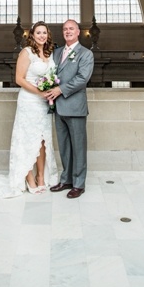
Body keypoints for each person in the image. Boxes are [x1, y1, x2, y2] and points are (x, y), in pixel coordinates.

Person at [0, 21, 58, 199]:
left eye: (44, 33)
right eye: (38, 33)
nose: (42, 36)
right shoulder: (27, 52)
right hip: (29, 101)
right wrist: (40, 92)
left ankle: (41, 177)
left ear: (48, 35)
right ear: (32, 35)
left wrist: (50, 89)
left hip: (44, 103)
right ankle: (29, 178)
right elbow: (19, 79)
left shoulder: (49, 52)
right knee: (27, 139)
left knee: (42, 140)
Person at [45, 19, 94, 199]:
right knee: (64, 147)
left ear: (78, 32)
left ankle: (79, 183)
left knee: (78, 147)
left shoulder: (86, 54)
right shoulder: (57, 53)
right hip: (58, 108)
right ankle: (66, 180)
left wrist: (59, 90)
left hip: (75, 107)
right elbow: (50, 74)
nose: (68, 31)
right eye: (65, 29)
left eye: (71, 28)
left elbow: (82, 78)